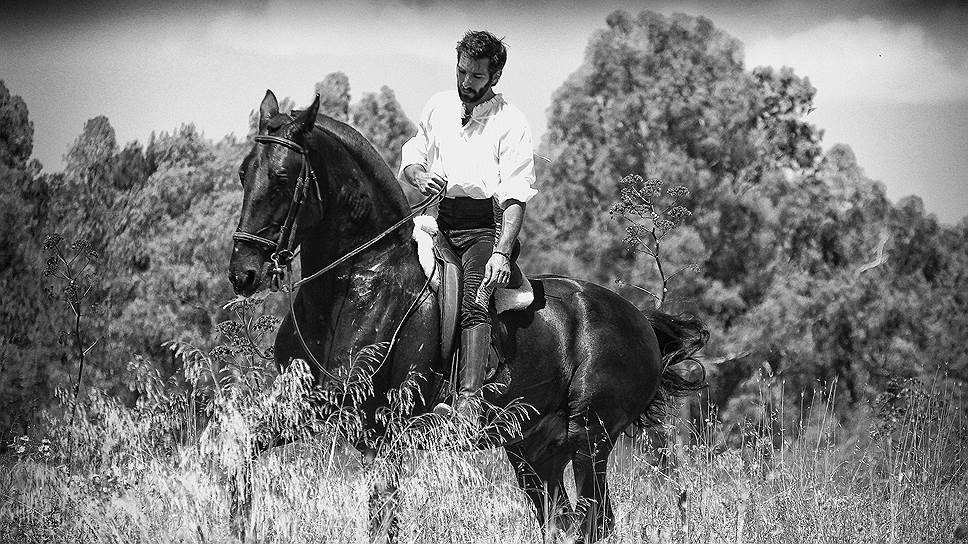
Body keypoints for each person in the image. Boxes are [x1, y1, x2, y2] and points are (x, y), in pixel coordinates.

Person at [398, 30, 537, 424]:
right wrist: (417, 175)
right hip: (440, 220)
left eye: (476, 77)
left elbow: (514, 195)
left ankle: (468, 404)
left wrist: (501, 252)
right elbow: (414, 153)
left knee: (474, 303)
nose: (465, 83)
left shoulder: (511, 121)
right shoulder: (438, 105)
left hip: (483, 228)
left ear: (494, 77)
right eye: (461, 72)